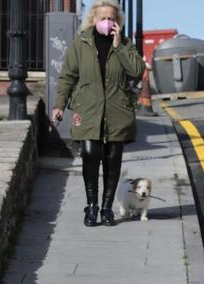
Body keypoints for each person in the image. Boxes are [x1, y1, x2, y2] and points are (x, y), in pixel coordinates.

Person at [51, 0, 145, 227]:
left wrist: (119, 46)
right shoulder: (80, 44)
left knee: (113, 160)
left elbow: (137, 70)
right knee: (91, 156)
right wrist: (59, 105)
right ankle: (91, 206)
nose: (107, 22)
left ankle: (107, 209)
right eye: (103, 18)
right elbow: (67, 77)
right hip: (88, 109)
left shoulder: (124, 44)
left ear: (117, 21)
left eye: (111, 18)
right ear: (93, 19)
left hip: (117, 111)